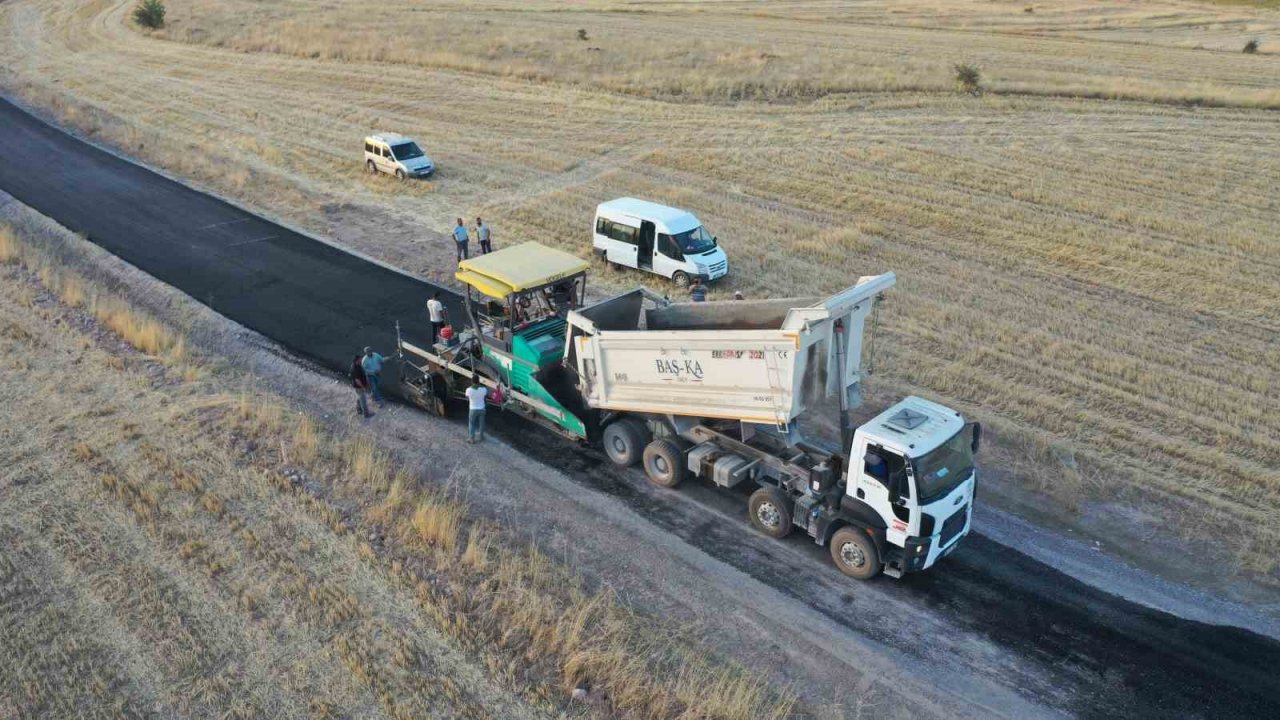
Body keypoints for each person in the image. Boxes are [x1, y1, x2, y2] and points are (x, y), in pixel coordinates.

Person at [465, 377, 488, 443]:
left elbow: (467, 397)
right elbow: (485, 396)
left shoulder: (468, 390)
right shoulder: (483, 389)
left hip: (473, 409)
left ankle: (471, 439)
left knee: (472, 424)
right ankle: (481, 436)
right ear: (478, 381)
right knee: (482, 423)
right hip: (482, 409)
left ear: (472, 382)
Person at [350, 353, 371, 418]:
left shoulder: (358, 365)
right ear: (356, 360)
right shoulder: (354, 369)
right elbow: (357, 380)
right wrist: (363, 387)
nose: (361, 360)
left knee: (360, 398)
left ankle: (359, 409)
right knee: (363, 401)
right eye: (360, 359)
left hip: (361, 385)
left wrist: (367, 383)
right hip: (359, 387)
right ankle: (366, 414)